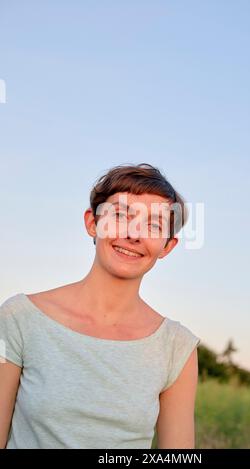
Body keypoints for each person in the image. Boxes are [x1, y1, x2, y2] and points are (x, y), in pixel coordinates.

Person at [0, 162, 200, 449]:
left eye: (153, 225)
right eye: (120, 215)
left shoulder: (176, 347)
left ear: (167, 246)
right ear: (92, 223)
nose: (133, 234)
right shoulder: (19, 317)